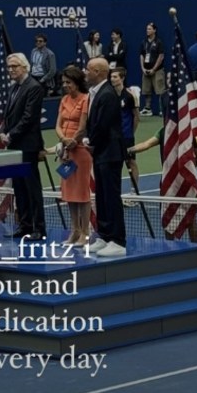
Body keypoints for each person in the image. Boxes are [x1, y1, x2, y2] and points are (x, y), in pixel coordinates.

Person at [0, 53, 45, 240]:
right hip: (14, 146)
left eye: (15, 66)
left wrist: (10, 134)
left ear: (25, 67)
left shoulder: (34, 87)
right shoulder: (14, 88)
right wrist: (4, 132)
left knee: (32, 188)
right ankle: (24, 226)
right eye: (9, 67)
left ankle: (38, 229)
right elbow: (10, 116)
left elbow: (29, 117)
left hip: (28, 145)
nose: (11, 70)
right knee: (19, 188)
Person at [85, 56, 126, 258]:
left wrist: (90, 142)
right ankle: (104, 235)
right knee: (101, 196)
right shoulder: (97, 92)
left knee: (111, 196)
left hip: (110, 152)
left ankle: (118, 240)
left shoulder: (108, 94)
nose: (85, 73)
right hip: (101, 152)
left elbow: (102, 124)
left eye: (89, 70)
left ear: (100, 72)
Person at [55, 65, 91, 244]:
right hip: (66, 151)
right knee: (69, 193)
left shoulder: (86, 99)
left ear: (77, 83)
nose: (65, 85)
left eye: (68, 82)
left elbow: (83, 126)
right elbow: (58, 125)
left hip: (81, 151)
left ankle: (85, 231)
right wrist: (63, 140)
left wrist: (72, 142)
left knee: (82, 193)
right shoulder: (64, 100)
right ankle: (74, 231)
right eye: (63, 83)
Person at [139, 22, 166, 116]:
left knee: (160, 90)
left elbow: (161, 56)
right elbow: (142, 55)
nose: (147, 30)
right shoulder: (144, 42)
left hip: (157, 70)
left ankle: (162, 109)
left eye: (149, 29)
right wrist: (142, 68)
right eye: (147, 29)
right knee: (146, 90)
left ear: (154, 30)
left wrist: (154, 69)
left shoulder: (159, 42)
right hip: (146, 70)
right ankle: (147, 109)